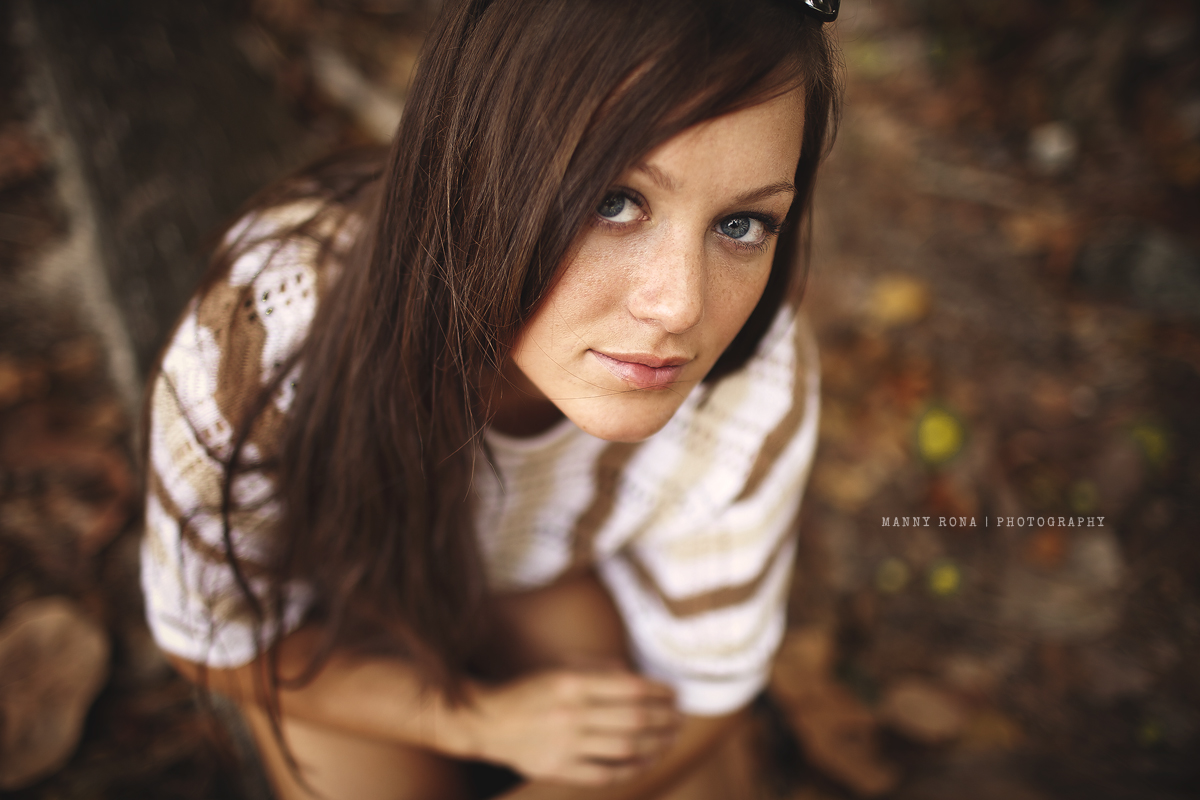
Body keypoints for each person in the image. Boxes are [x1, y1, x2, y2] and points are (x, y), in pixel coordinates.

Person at [140, 1, 842, 798]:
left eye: (742, 224)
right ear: (473, 160)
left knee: (699, 773)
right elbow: (212, 632)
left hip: (548, 589)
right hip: (340, 617)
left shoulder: (751, 383)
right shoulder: (270, 330)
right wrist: (478, 722)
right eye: (613, 201)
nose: (681, 306)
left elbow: (705, 690)